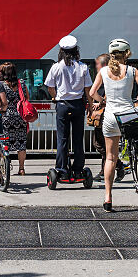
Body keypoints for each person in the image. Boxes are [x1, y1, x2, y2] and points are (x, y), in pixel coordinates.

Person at [89, 38, 138, 212]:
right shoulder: (132, 71)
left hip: (110, 117)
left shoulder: (103, 71)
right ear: (127, 54)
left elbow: (92, 92)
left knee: (110, 157)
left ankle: (108, 197)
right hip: (128, 116)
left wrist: (103, 101)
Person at [44, 35, 93, 180]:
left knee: (62, 139)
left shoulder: (56, 67)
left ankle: (62, 170)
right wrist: (90, 106)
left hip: (63, 105)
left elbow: (50, 87)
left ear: (61, 51)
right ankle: (78, 170)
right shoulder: (83, 67)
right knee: (78, 138)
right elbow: (87, 89)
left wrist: (55, 97)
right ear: (76, 50)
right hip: (78, 105)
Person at [0, 62, 31, 175]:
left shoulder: (1, 85)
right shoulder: (21, 83)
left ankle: (3, 169)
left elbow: (0, 102)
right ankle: (21, 169)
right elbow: (27, 98)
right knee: (21, 144)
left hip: (6, 117)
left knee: (4, 143)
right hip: (21, 117)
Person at [90, 53, 110, 174]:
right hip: (101, 113)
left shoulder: (106, 75)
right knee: (100, 142)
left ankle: (116, 164)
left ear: (103, 65)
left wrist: (101, 102)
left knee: (99, 143)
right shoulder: (103, 75)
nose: (96, 66)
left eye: (97, 64)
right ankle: (105, 169)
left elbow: (109, 91)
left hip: (104, 113)